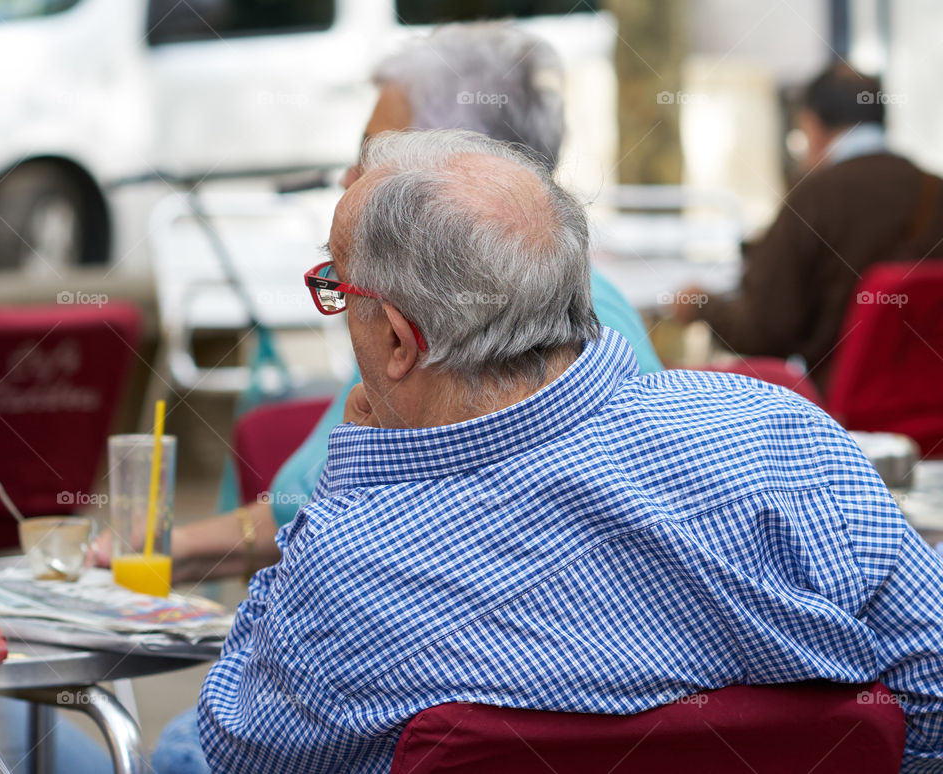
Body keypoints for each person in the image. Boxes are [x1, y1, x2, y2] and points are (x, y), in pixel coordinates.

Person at [199, 129, 943, 773]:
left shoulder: (352, 566)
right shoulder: (783, 437)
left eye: (336, 285)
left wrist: (347, 484)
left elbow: (243, 746)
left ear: (398, 338)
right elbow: (931, 692)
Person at [96, 22, 661, 586]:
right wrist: (144, 554)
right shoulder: (445, 307)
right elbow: (297, 510)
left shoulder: (516, 329)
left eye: (373, 156)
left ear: (456, 175)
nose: (347, 177)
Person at [674, 63, 943, 391]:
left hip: (845, 406)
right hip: (929, 403)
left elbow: (766, 332)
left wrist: (703, 306)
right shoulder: (934, 189)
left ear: (812, 126)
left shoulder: (814, 197)